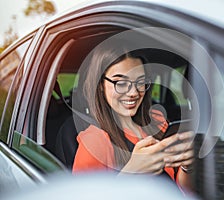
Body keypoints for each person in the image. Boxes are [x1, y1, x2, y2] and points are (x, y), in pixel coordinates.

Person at [72, 40, 195, 194]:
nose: (134, 93)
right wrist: (130, 173)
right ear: (101, 85)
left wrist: (187, 167)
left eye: (140, 82)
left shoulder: (158, 122)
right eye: (121, 83)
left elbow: (181, 192)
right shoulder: (94, 141)